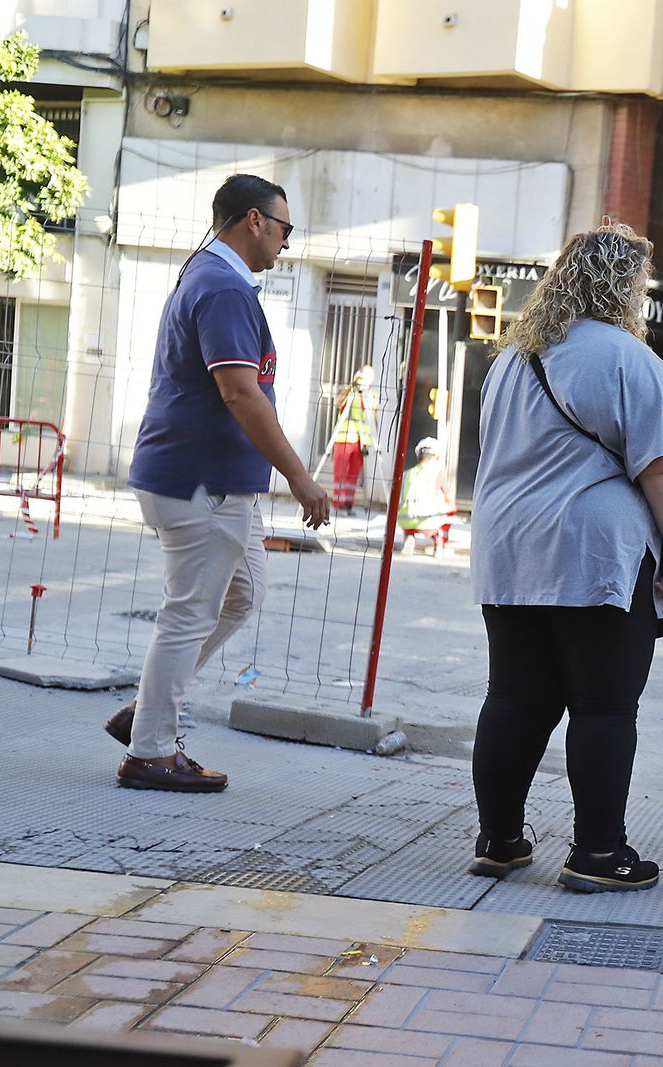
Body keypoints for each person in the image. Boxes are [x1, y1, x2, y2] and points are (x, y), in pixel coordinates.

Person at [468, 222, 663, 893]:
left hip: (509, 550)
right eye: (641, 284)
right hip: (594, 556)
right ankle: (599, 853)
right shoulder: (628, 358)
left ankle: (499, 840)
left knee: (514, 696)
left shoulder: (511, 360)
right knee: (603, 706)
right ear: (624, 286)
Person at [106, 173, 329, 792]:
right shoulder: (224, 286)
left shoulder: (211, 275)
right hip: (201, 482)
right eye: (284, 227)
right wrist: (300, 477)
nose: (287, 240)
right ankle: (150, 751)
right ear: (254, 220)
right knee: (188, 614)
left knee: (244, 594)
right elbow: (239, 392)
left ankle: (147, 711)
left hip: (216, 480)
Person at [398, 437, 457, 556]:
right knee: (450, 509)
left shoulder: (406, 474)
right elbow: (449, 498)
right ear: (436, 456)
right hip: (428, 521)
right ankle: (441, 544)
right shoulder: (438, 473)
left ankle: (409, 538)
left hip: (405, 520)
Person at [330, 364, 376, 515]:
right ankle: (338, 503)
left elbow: (372, 412)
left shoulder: (372, 395)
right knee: (341, 473)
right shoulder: (349, 390)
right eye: (366, 376)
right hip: (344, 438)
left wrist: (364, 394)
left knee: (353, 475)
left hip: (360, 441)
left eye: (370, 377)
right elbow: (338, 402)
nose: (368, 380)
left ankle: (348, 504)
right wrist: (353, 386)